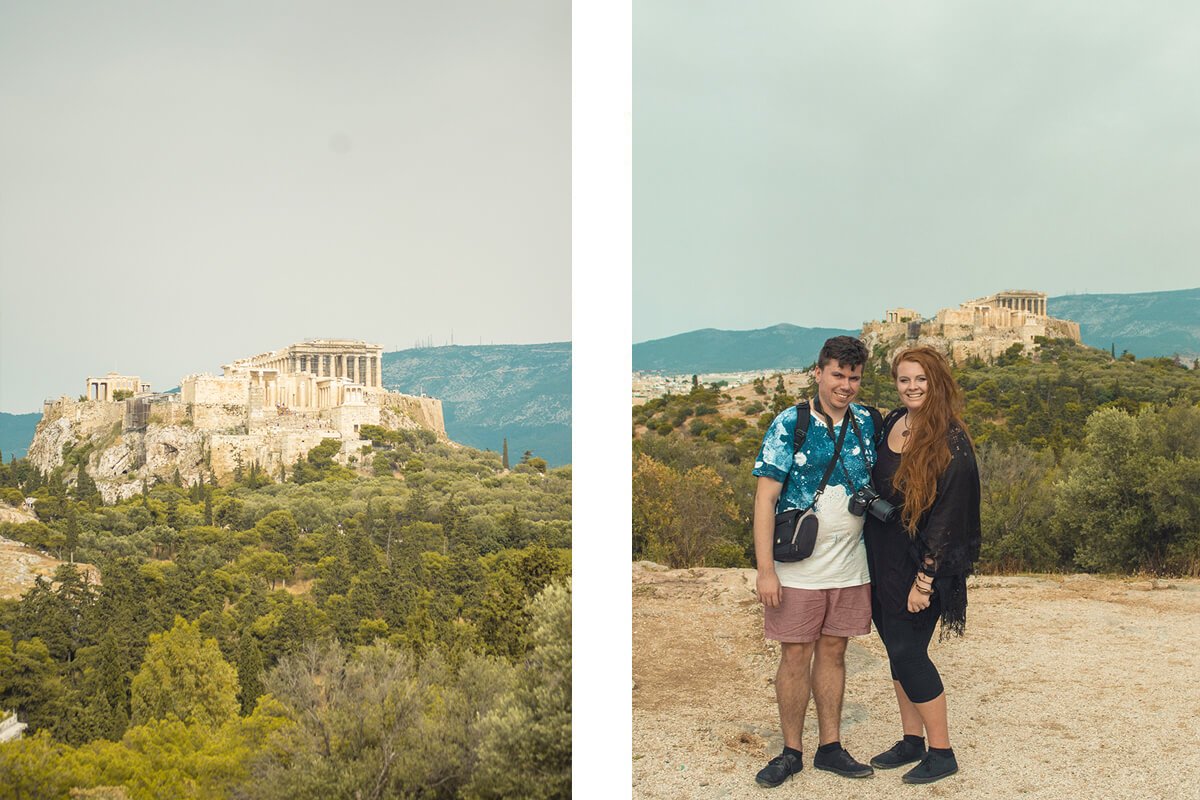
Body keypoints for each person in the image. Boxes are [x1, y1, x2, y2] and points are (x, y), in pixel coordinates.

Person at [751, 336, 879, 787]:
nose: (845, 385)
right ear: (819, 372)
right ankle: (790, 751)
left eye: (854, 377)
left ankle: (830, 747)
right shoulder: (791, 423)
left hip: (851, 567)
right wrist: (765, 570)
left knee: (834, 652)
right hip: (797, 570)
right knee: (795, 655)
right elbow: (765, 499)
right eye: (838, 375)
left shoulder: (868, 421)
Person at [863, 346, 980, 785]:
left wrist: (925, 580)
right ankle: (911, 740)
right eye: (904, 379)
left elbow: (950, 517)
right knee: (897, 651)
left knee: (911, 653)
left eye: (921, 380)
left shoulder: (951, 440)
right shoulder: (894, 422)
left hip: (923, 569)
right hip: (883, 561)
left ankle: (941, 751)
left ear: (938, 383)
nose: (912, 387)